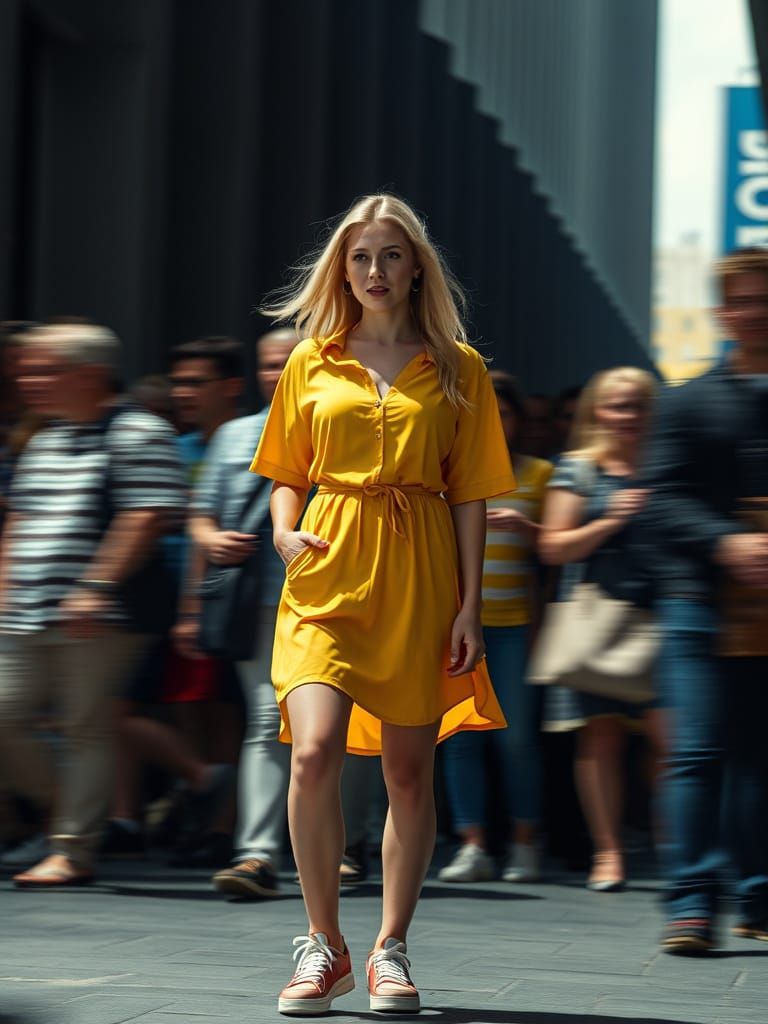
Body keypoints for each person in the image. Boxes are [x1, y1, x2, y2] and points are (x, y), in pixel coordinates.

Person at [249, 193, 515, 1015]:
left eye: (390, 256)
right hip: (326, 562)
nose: (374, 271)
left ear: (416, 268)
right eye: (360, 257)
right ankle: (321, 944)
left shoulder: (459, 366)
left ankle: (390, 949)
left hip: (420, 567)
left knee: (408, 770)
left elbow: (470, 494)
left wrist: (469, 606)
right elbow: (285, 470)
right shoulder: (310, 359)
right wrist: (284, 536)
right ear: (342, 267)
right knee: (313, 749)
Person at [0, 322, 186, 887]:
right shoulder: (46, 437)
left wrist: (96, 587)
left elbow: (148, 514)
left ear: (89, 375)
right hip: (28, 607)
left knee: (86, 727)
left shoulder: (138, 431)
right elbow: (20, 518)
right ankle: (72, 811)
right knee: (6, 714)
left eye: (43, 369)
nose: (28, 380)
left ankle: (72, 847)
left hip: (100, 614)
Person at [642, 247, 768, 954]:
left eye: (764, 301)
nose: (754, 314)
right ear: (722, 311)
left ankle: (757, 898)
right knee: (697, 754)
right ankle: (691, 903)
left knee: (759, 760)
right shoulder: (688, 400)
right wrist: (726, 542)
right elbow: (658, 501)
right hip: (699, 601)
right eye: (742, 301)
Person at [175, 328, 298, 898]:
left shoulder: (348, 429)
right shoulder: (234, 435)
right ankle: (257, 853)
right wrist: (212, 544)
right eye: (269, 363)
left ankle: (349, 843)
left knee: (347, 727)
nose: (276, 372)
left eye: (288, 361)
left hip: (337, 600)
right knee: (268, 719)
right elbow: (199, 516)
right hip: (257, 601)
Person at [538, 367, 662, 892]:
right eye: (615, 405)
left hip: (661, 617)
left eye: (636, 405)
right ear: (596, 411)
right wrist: (612, 518)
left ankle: (670, 845)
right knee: (601, 740)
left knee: (673, 741)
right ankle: (609, 853)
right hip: (598, 620)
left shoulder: (667, 466)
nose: (626, 415)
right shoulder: (577, 471)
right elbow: (553, 547)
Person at [439, 371, 552, 883]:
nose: (496, 421)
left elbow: (552, 557)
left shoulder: (540, 475)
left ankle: (525, 843)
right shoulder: (445, 472)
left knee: (516, 739)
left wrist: (528, 529)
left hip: (514, 627)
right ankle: (473, 844)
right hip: (452, 622)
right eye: (490, 412)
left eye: (506, 413)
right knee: (460, 736)